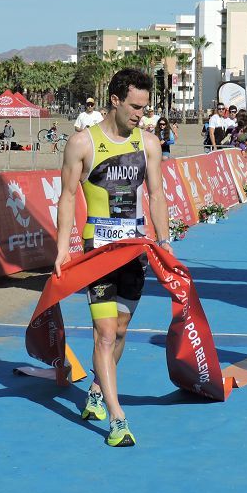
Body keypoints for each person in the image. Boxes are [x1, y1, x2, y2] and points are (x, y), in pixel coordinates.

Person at [55, 68, 172, 447]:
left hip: (135, 251)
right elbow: (68, 196)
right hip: (98, 254)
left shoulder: (148, 144)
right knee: (104, 332)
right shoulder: (82, 143)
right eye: (135, 106)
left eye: (145, 107)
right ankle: (117, 417)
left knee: (120, 330)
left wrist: (164, 241)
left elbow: (156, 195)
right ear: (116, 100)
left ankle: (95, 390)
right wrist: (62, 249)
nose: (141, 114)